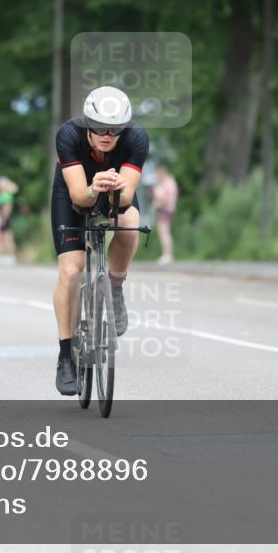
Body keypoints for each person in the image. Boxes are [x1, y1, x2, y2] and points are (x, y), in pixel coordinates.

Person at [51, 86, 149, 396]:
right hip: (75, 192)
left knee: (131, 220)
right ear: (87, 124)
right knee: (72, 269)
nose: (107, 135)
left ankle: (115, 288)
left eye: (115, 129)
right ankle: (66, 355)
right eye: (99, 128)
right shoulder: (68, 134)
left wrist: (117, 186)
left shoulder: (136, 138)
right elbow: (80, 196)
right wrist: (94, 188)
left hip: (114, 192)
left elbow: (128, 197)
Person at [152, 166, 179, 265]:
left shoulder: (168, 183)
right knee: (164, 233)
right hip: (165, 210)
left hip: (164, 210)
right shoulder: (167, 183)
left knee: (164, 233)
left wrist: (158, 199)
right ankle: (167, 254)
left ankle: (167, 255)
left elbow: (167, 199)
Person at [0, 176, 18, 265]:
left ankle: (11, 257)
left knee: (7, 238)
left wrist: (3, 219)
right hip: (1, 217)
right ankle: (2, 257)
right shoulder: (1, 194)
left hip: (4, 218)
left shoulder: (6, 195)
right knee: (1, 237)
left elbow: (7, 208)